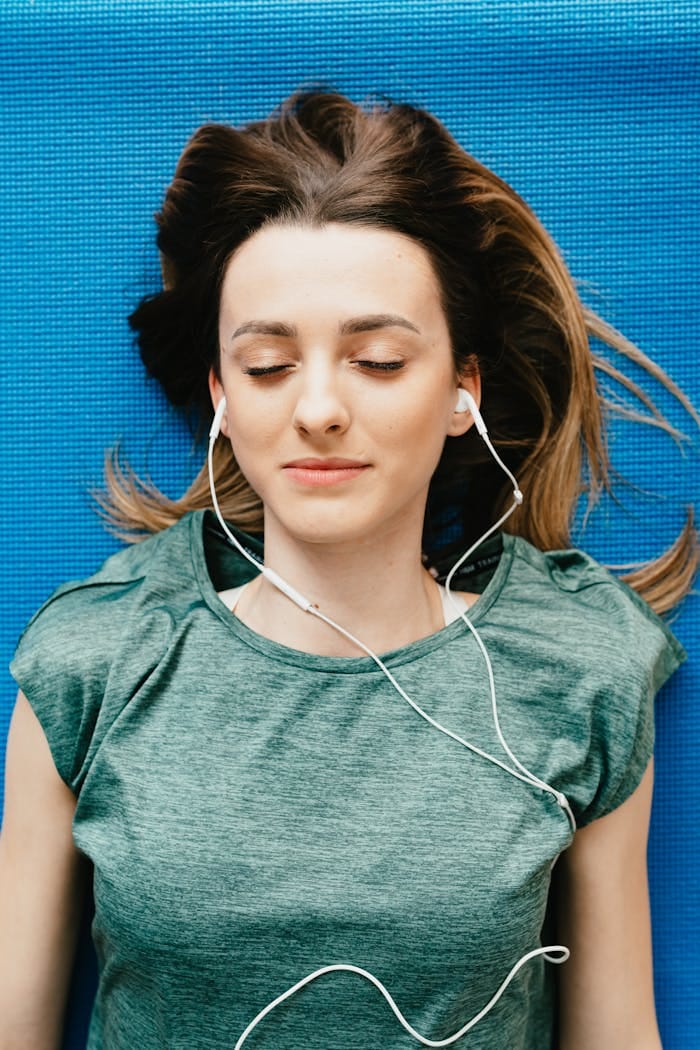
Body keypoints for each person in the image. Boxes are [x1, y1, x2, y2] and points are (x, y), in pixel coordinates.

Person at [0, 90, 696, 1050]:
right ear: (220, 398)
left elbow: (617, 1032)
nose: (319, 407)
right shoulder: (97, 656)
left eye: (375, 360)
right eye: (269, 366)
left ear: (463, 390)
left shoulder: (576, 663)